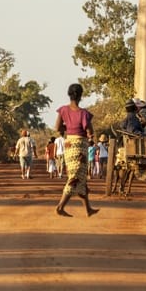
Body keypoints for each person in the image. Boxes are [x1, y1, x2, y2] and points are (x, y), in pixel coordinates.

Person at [54, 83, 99, 217]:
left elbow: (57, 128)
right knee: (75, 178)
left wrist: (67, 128)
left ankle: (88, 209)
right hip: (79, 145)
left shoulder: (63, 110)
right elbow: (89, 130)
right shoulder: (84, 113)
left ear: (69, 94)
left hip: (69, 145)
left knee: (81, 178)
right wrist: (90, 137)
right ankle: (60, 206)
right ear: (80, 96)